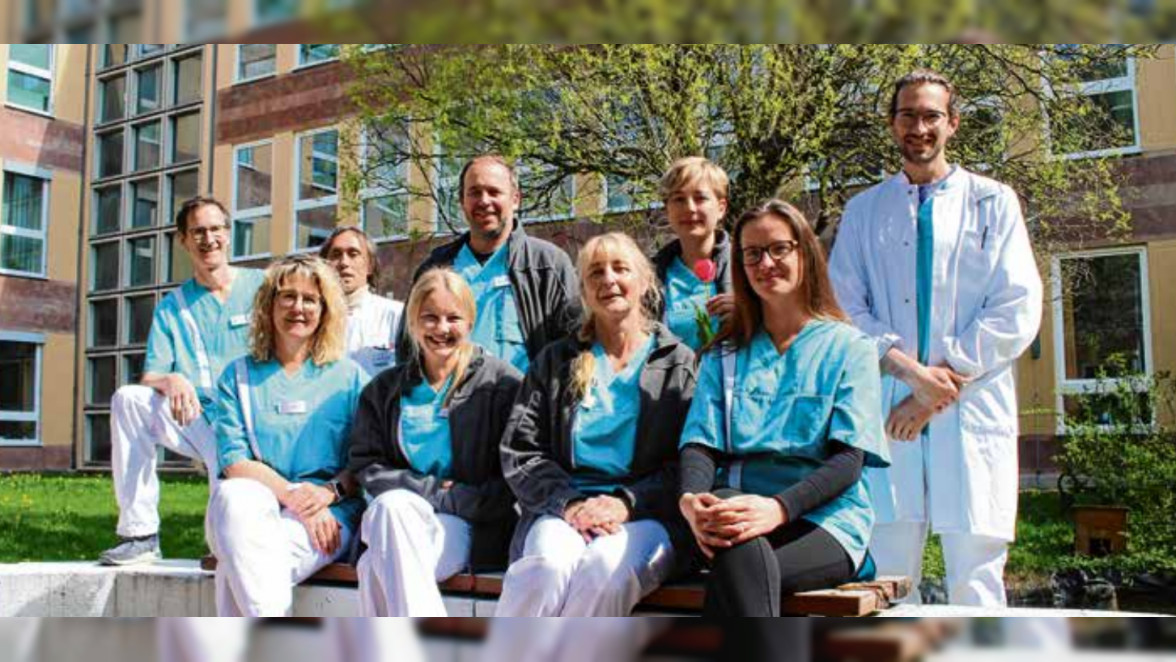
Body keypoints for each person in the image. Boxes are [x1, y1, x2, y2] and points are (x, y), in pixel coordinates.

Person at [828, 70, 1043, 606]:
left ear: (952, 123)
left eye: (930, 116)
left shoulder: (994, 202)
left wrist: (934, 390)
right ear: (891, 124)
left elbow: (1015, 307)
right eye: (908, 116)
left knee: (976, 579)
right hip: (889, 407)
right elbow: (845, 308)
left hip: (968, 411)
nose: (919, 128)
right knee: (889, 578)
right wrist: (910, 374)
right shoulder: (863, 212)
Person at [678, 199, 889, 617]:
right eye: (752, 253)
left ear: (804, 253)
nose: (765, 263)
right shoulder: (725, 354)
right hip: (737, 509)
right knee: (738, 545)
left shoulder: (850, 349)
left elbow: (849, 460)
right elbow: (700, 444)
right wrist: (691, 499)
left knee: (740, 565)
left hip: (824, 521)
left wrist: (776, 509)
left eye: (779, 248)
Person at [495, 232, 696, 617]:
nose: (609, 280)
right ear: (584, 291)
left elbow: (688, 463)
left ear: (643, 281)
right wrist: (568, 504)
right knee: (544, 568)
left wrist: (625, 503)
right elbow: (520, 451)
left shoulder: (678, 363)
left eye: (620, 269)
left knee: (604, 569)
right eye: (595, 273)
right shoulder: (556, 360)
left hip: (645, 517)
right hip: (563, 509)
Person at [101, 196, 267, 566]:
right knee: (129, 399)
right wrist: (172, 379)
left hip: (255, 420)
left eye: (216, 229)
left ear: (229, 233)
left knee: (226, 540)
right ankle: (139, 533)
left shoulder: (263, 287)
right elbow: (150, 375)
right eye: (198, 232)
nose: (209, 239)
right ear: (184, 240)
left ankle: (230, 547)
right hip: (199, 418)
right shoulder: (172, 307)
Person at [349, 268, 524, 616]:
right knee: (392, 509)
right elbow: (367, 464)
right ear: (413, 322)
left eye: (452, 318)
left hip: (469, 526)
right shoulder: (384, 390)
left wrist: (454, 500)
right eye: (430, 318)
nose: (442, 329)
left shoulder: (502, 385)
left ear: (470, 321)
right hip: (401, 517)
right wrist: (435, 491)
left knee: (374, 567)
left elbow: (514, 479)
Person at [206, 255, 367, 616]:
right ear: (269, 305)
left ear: (325, 310)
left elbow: (365, 460)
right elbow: (234, 461)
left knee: (239, 561)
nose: (298, 307)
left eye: (310, 299)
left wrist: (327, 494)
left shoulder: (350, 378)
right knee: (235, 497)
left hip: (328, 515)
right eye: (287, 296)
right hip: (257, 507)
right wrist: (295, 498)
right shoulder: (238, 376)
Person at [398, 155, 580, 373]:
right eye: (474, 192)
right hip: (449, 404)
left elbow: (574, 347)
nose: (484, 201)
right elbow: (408, 345)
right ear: (462, 201)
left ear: (515, 199)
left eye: (494, 192)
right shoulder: (436, 267)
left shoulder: (547, 265)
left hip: (522, 404)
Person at [652, 156, 735, 352]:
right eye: (679, 199)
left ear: (721, 208)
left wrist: (750, 315)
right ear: (667, 209)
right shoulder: (651, 276)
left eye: (700, 198)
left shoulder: (747, 265)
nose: (689, 208)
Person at [319, 226, 404, 377]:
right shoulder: (312, 320)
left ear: (370, 265)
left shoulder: (397, 316)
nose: (344, 262)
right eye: (336, 254)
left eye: (353, 254)